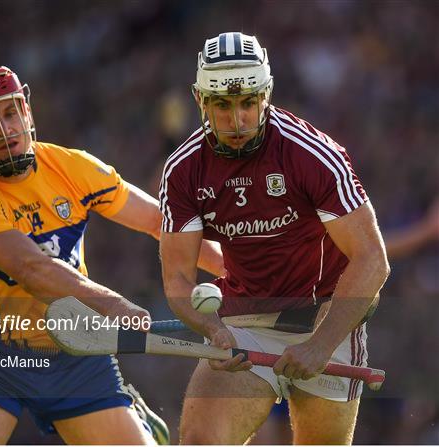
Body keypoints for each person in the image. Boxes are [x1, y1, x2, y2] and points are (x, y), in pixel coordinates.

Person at [0, 66, 224, 444]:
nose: (4, 130)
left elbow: (159, 222)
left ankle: (133, 419)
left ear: (27, 111)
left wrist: (240, 274)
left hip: (74, 349)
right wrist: (112, 304)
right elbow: (31, 268)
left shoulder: (71, 167)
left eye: (9, 112)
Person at [159, 32, 390, 444]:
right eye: (222, 105)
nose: (237, 121)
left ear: (266, 94)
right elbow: (177, 279)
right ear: (200, 101)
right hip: (246, 318)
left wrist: (320, 344)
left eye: (248, 103)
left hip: (327, 314)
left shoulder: (313, 155)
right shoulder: (184, 171)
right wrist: (211, 328)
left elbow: (372, 259)